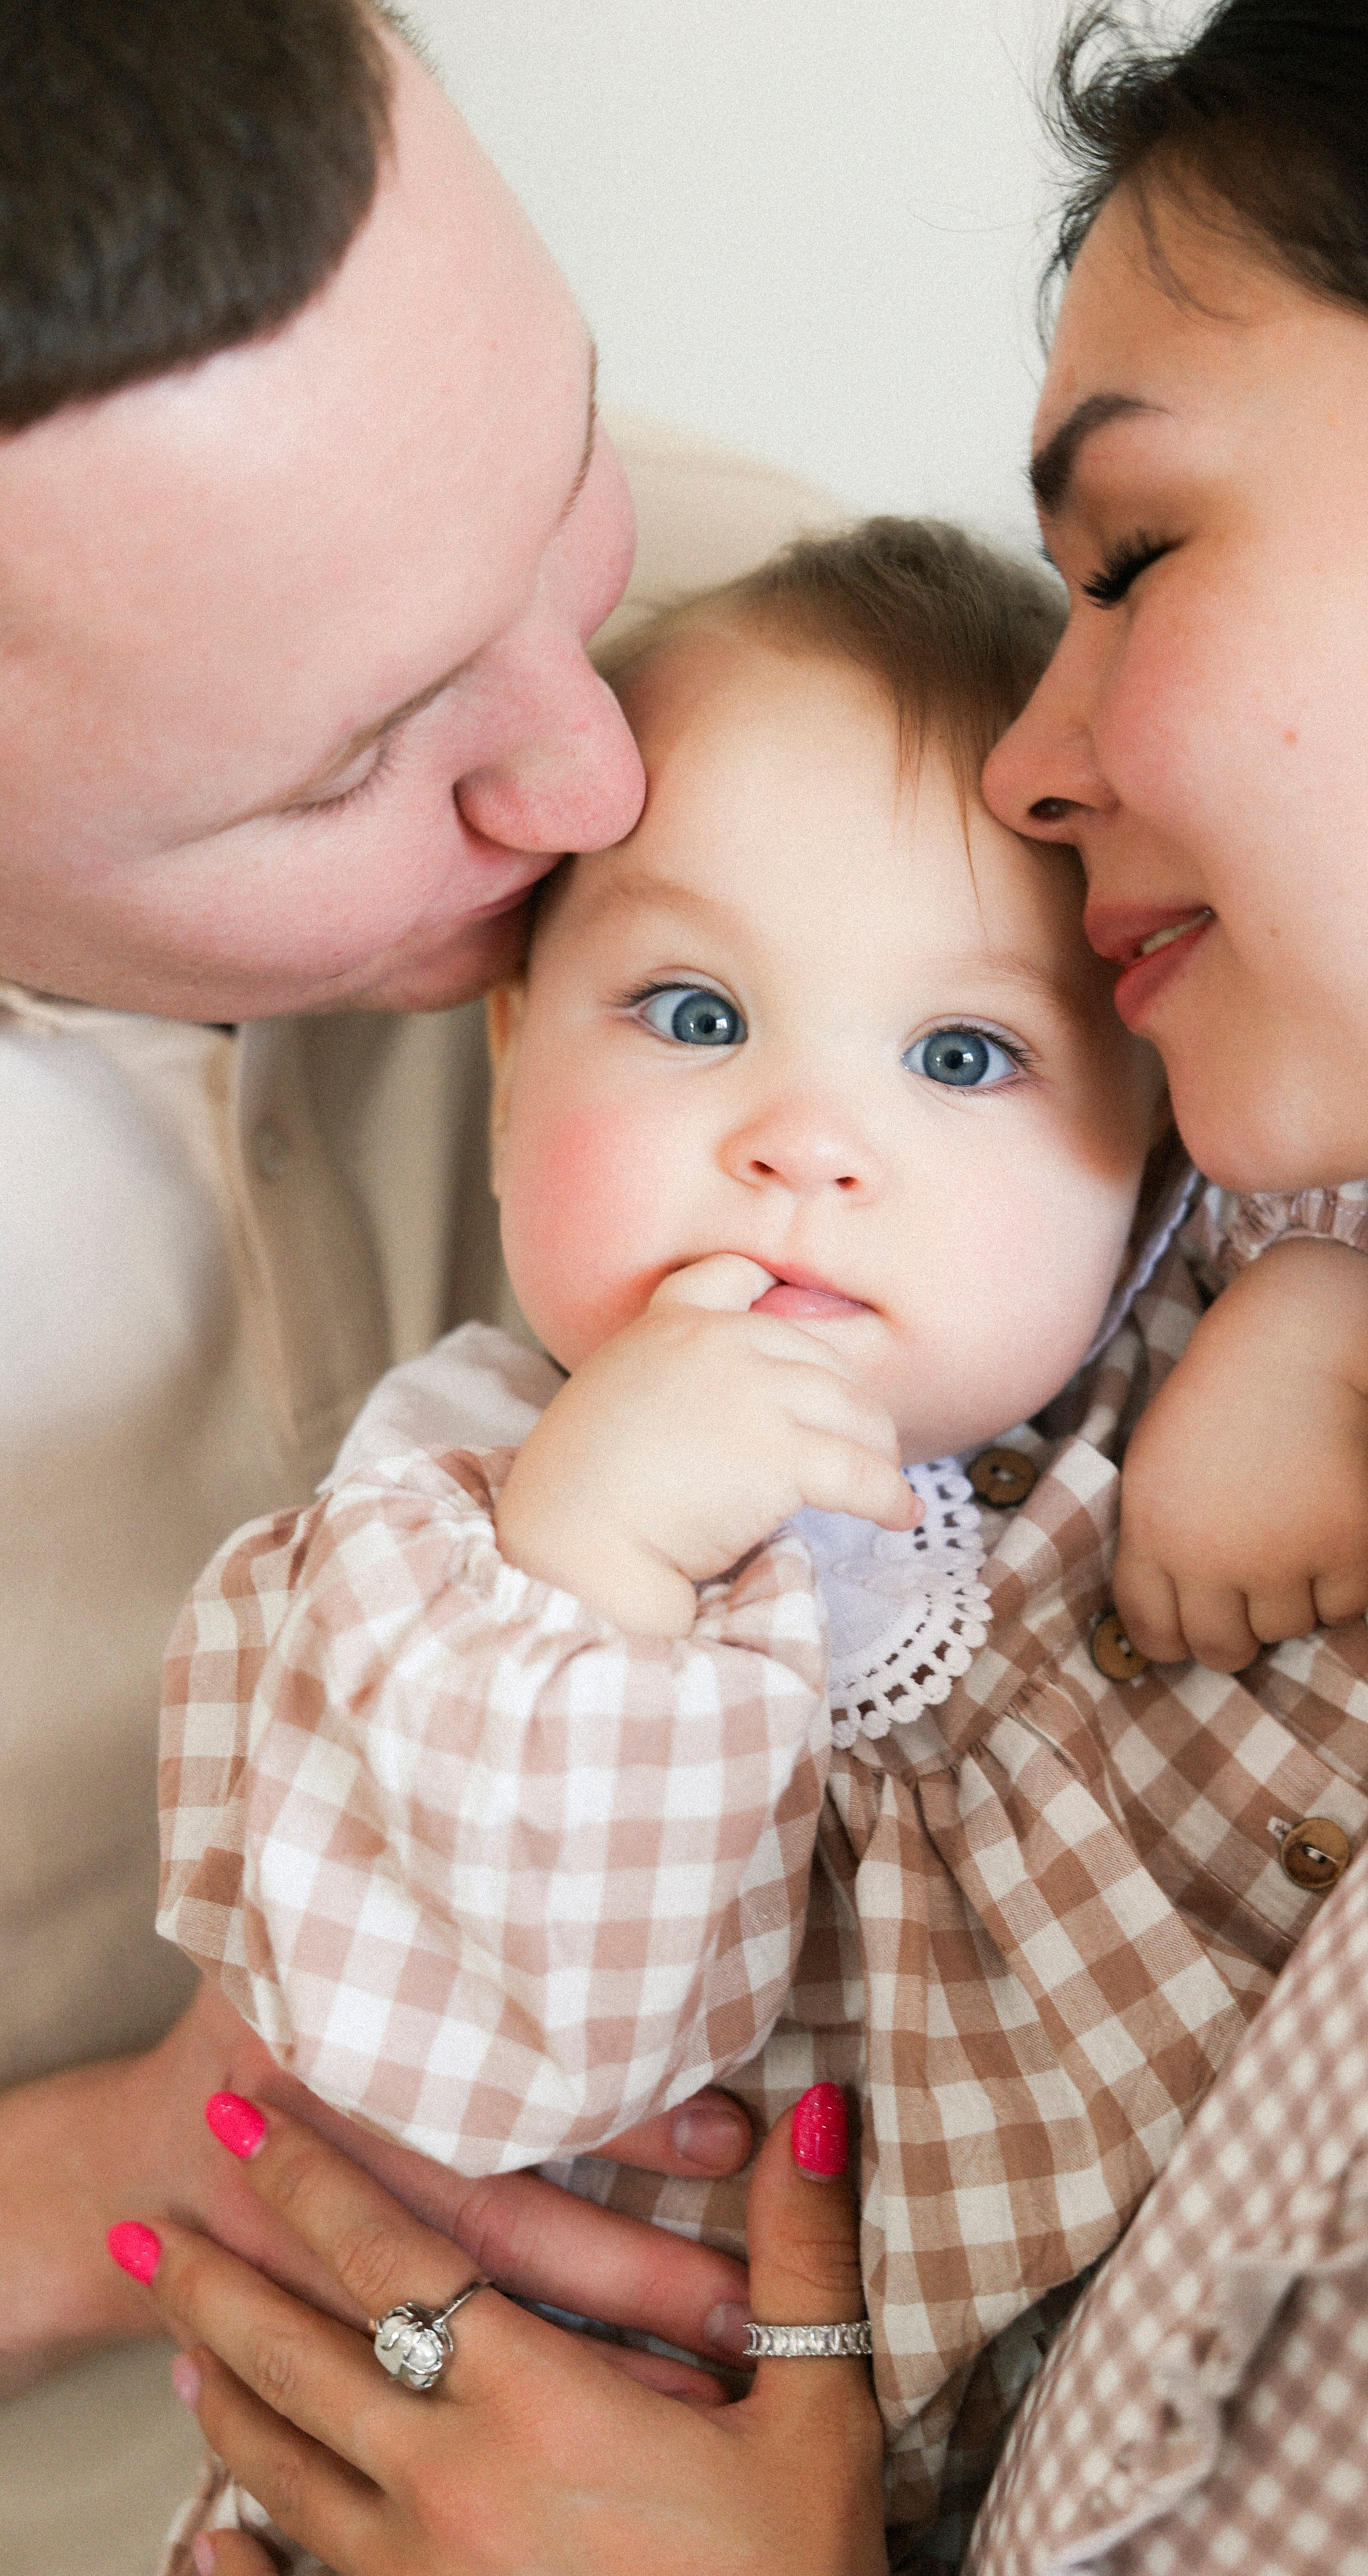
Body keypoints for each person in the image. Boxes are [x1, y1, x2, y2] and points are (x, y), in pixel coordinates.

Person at [114, 1, 1368, 2571]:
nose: (1046, 767)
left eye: (1143, 556)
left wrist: (1326, 1334)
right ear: (511, 1041)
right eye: (691, 1015)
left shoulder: (1277, 1297)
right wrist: (595, 1566)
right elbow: (462, 2014)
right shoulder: (457, 1535)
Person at [0, 2, 840, 2561]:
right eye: (342, 768)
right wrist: (123, 2191)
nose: (595, 777)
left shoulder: (783, 636)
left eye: (557, 458)